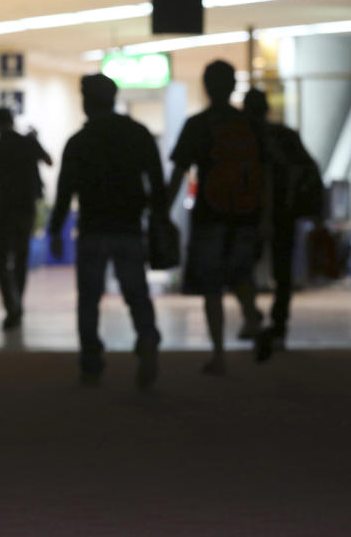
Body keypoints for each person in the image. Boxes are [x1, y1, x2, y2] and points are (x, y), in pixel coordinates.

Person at [48, 74, 166, 388]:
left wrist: (56, 231)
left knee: (89, 298)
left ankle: (91, 363)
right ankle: (147, 335)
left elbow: (64, 192)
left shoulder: (79, 141)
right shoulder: (138, 134)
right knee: (136, 292)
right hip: (128, 227)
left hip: (93, 229)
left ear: (88, 101)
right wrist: (158, 218)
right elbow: (156, 181)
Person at [166, 60, 264, 376]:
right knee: (240, 274)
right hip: (245, 214)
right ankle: (251, 315)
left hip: (210, 214)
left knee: (212, 287)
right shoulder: (247, 124)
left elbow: (180, 171)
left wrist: (162, 210)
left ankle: (219, 354)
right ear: (233, 85)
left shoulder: (198, 124)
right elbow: (264, 174)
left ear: (206, 86)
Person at [243, 88, 324, 359]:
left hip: (250, 214)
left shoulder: (246, 139)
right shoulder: (284, 137)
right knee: (282, 272)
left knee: (243, 268)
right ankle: (277, 326)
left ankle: (254, 316)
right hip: (283, 214)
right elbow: (310, 170)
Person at [0, 107, 52, 330]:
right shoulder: (28, 142)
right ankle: (18, 304)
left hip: (4, 208)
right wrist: (34, 142)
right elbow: (49, 160)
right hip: (26, 208)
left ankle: (11, 305)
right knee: (20, 257)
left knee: (0, 258)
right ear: (12, 121)